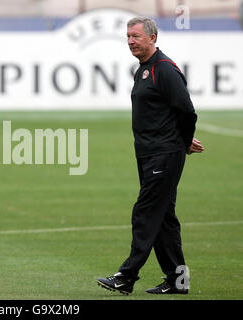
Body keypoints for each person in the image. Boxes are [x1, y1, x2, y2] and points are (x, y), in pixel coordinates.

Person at [97, 17, 204, 295]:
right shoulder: (143, 70)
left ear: (152, 37)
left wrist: (182, 141)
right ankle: (177, 280)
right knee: (164, 218)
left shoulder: (165, 70)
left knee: (145, 213)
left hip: (164, 154)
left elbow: (187, 111)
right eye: (128, 36)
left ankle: (127, 275)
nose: (130, 41)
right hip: (147, 154)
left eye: (136, 36)